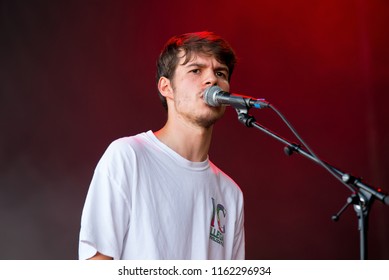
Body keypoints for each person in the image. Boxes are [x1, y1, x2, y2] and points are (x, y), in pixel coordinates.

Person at [78, 31, 245, 260]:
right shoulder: (128, 156)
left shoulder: (231, 194)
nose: (212, 80)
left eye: (220, 73)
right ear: (166, 87)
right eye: (196, 70)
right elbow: (97, 261)